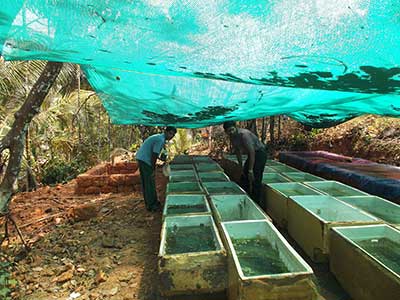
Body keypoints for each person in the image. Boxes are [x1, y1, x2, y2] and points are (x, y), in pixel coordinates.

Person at [223, 121, 267, 207]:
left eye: (232, 129)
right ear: (226, 132)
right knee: (244, 176)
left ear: (236, 127)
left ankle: (256, 203)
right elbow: (237, 151)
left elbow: (252, 152)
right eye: (229, 131)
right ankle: (245, 197)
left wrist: (250, 170)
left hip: (260, 153)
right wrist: (240, 166)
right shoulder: (232, 137)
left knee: (255, 177)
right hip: (252, 155)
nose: (231, 132)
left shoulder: (244, 135)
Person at [136, 126, 177, 211]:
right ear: (166, 132)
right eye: (170, 133)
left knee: (147, 182)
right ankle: (151, 205)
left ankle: (152, 202)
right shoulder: (160, 140)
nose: (171, 136)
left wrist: (162, 159)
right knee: (149, 182)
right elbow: (154, 155)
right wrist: (153, 169)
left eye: (173, 135)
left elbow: (155, 153)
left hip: (142, 158)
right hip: (145, 160)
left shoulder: (159, 137)